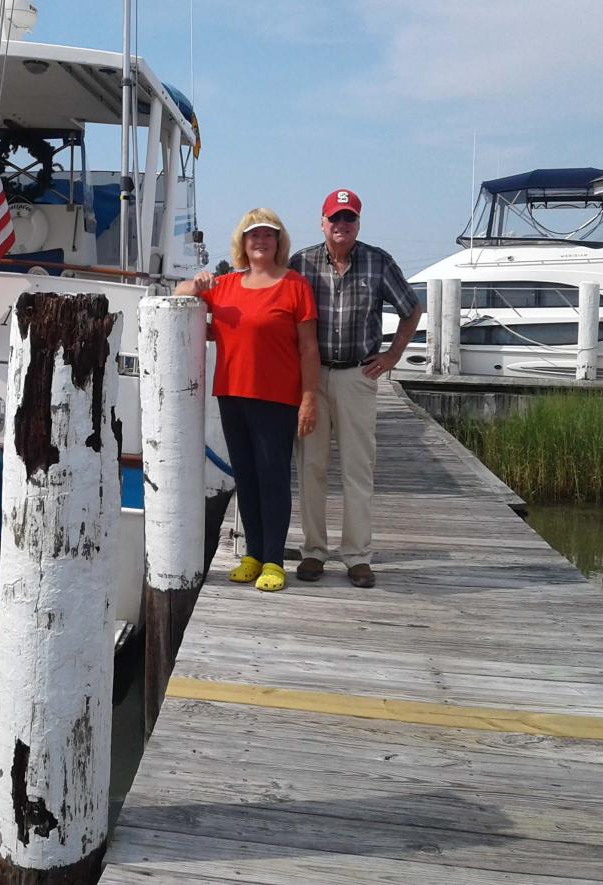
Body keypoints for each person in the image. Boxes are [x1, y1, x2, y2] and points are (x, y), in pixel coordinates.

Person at [175, 208, 320, 593]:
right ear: (243, 242)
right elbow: (178, 295)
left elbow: (308, 348)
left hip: (277, 399)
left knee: (273, 479)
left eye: (268, 235)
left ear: (278, 242)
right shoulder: (225, 285)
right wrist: (198, 282)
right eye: (253, 235)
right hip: (232, 395)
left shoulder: (295, 286)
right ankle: (253, 554)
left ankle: (274, 559)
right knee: (246, 478)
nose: (260, 241)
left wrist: (309, 399)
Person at [289, 189, 422, 589]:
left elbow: (411, 309)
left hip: (357, 377)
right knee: (311, 467)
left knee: (357, 469)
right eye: (335, 218)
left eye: (349, 219)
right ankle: (314, 552)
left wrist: (393, 356)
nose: (341, 225)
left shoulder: (378, 262)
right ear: (322, 222)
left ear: (358, 223)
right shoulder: (301, 263)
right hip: (311, 378)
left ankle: (357, 556)